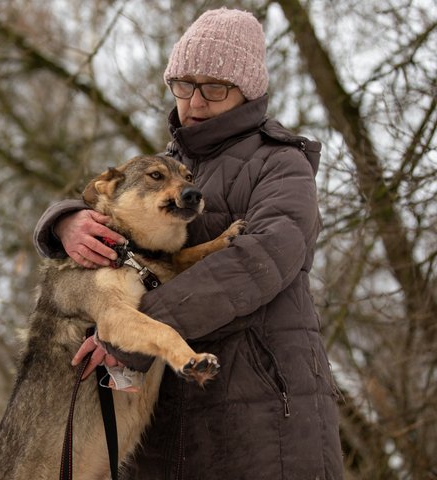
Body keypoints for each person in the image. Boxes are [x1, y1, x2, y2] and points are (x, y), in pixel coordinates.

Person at [33, 7, 344, 480]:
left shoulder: (280, 164)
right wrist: (65, 221)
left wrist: (138, 332)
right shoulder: (168, 166)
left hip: (261, 418)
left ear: (248, 91)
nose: (195, 101)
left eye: (214, 86)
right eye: (184, 84)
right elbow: (111, 205)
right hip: (165, 424)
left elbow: (262, 260)